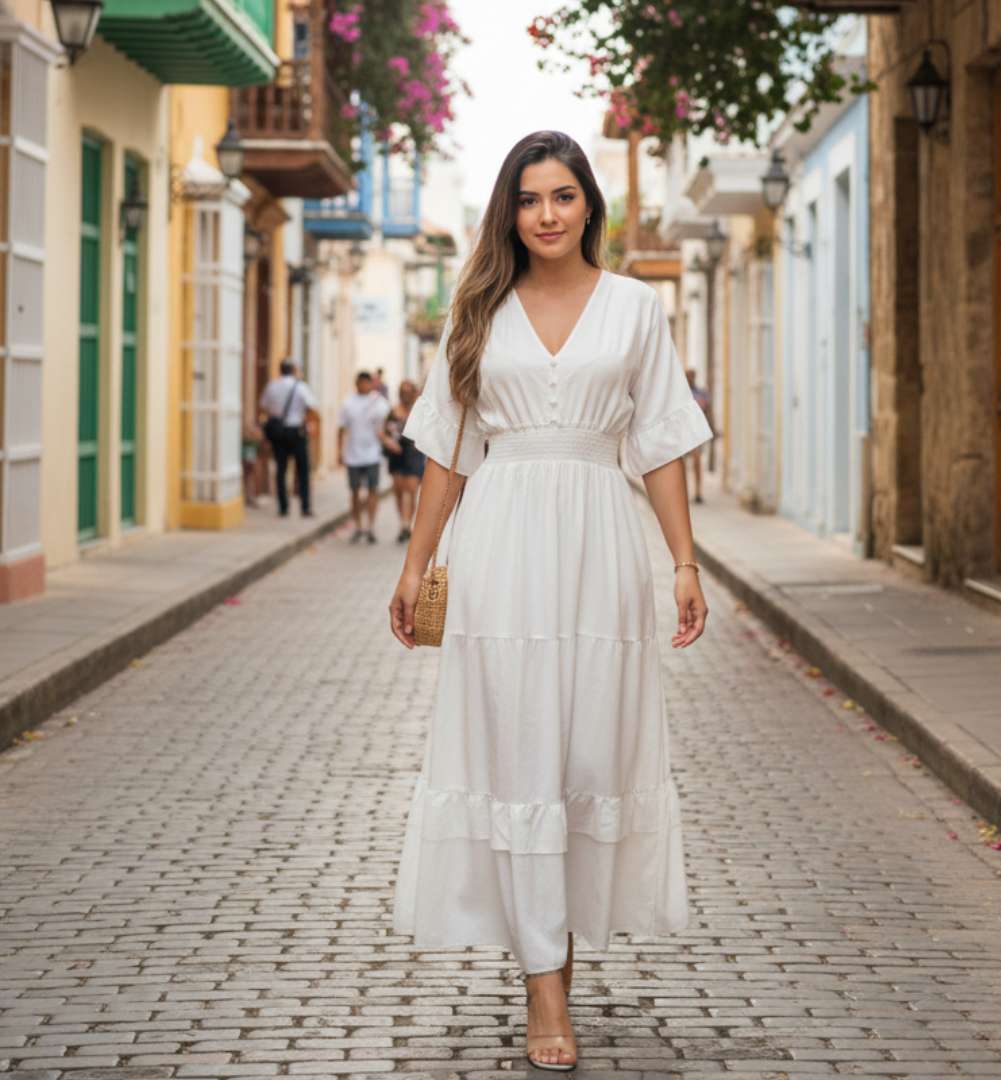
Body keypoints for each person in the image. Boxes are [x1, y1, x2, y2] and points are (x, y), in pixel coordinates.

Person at [387, 131, 711, 1072]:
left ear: (588, 206)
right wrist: (415, 564)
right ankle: (544, 990)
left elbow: (660, 445)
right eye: (529, 199)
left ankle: (554, 955)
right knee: (519, 754)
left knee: (584, 758)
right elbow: (448, 454)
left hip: (602, 547)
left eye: (563, 196)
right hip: (501, 545)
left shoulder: (636, 308)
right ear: (510, 212)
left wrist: (685, 563)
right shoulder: (476, 312)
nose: (547, 214)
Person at [338, 370, 393, 543]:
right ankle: (358, 526)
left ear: (371, 384)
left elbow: (388, 423)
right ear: (356, 383)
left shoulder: (380, 402)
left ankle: (370, 527)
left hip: (373, 454)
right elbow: (341, 429)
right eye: (360, 382)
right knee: (354, 491)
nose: (363, 385)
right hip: (353, 455)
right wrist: (340, 452)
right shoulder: (348, 403)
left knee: (372, 491)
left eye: (366, 382)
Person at [258, 360, 317, 518]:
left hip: (278, 432)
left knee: (281, 470)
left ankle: (283, 507)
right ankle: (305, 507)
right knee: (303, 470)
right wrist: (309, 423)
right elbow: (311, 407)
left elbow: (263, 406)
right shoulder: (300, 386)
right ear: (294, 370)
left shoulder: (272, 386)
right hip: (296, 431)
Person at [384, 380, 426, 543]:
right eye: (403, 391)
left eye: (408, 391)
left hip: (414, 453)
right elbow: (383, 431)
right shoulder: (393, 411)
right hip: (397, 454)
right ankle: (403, 521)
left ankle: (407, 524)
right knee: (399, 491)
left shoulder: (419, 411)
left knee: (411, 490)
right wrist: (388, 441)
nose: (405, 395)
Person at [684, 368, 712, 505]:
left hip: (696, 432)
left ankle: (698, 492)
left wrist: (710, 428)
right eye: (688, 376)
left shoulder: (701, 394)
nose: (690, 379)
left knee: (696, 462)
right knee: (681, 465)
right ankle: (683, 492)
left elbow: (708, 412)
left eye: (692, 376)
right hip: (683, 432)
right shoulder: (681, 393)